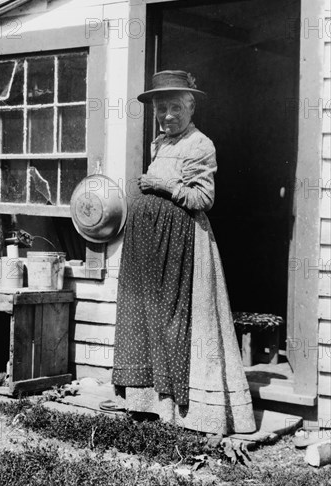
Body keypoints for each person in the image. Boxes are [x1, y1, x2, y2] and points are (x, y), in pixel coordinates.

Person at [110, 70, 256, 435]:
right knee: (147, 317)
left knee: (179, 321)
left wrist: (161, 183)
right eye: (162, 109)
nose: (167, 116)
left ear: (190, 107)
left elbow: (203, 199)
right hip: (150, 246)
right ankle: (148, 404)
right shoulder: (159, 143)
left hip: (183, 246)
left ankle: (190, 411)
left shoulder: (200, 145)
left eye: (175, 107)